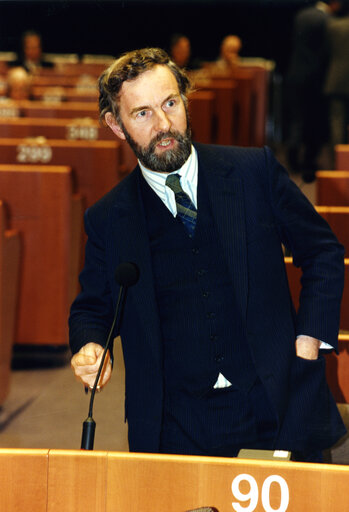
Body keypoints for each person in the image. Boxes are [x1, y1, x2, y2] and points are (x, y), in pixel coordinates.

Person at [69, 47, 346, 462]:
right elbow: (93, 308)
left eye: (170, 104)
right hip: (175, 427)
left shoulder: (254, 172)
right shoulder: (108, 218)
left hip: (278, 403)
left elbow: (323, 251)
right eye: (142, 113)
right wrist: (90, 347)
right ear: (116, 124)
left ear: (185, 99)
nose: (163, 125)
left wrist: (310, 340)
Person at [284, 1, 341, 183]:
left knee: (297, 118)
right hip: (315, 77)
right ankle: (308, 161)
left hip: (295, 72)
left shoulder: (302, 15)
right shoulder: (327, 20)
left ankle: (291, 157)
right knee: (312, 121)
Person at [323, 1, 349, 151]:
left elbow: (327, 52)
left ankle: (338, 162)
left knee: (337, 122)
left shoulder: (333, 26)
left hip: (336, 79)